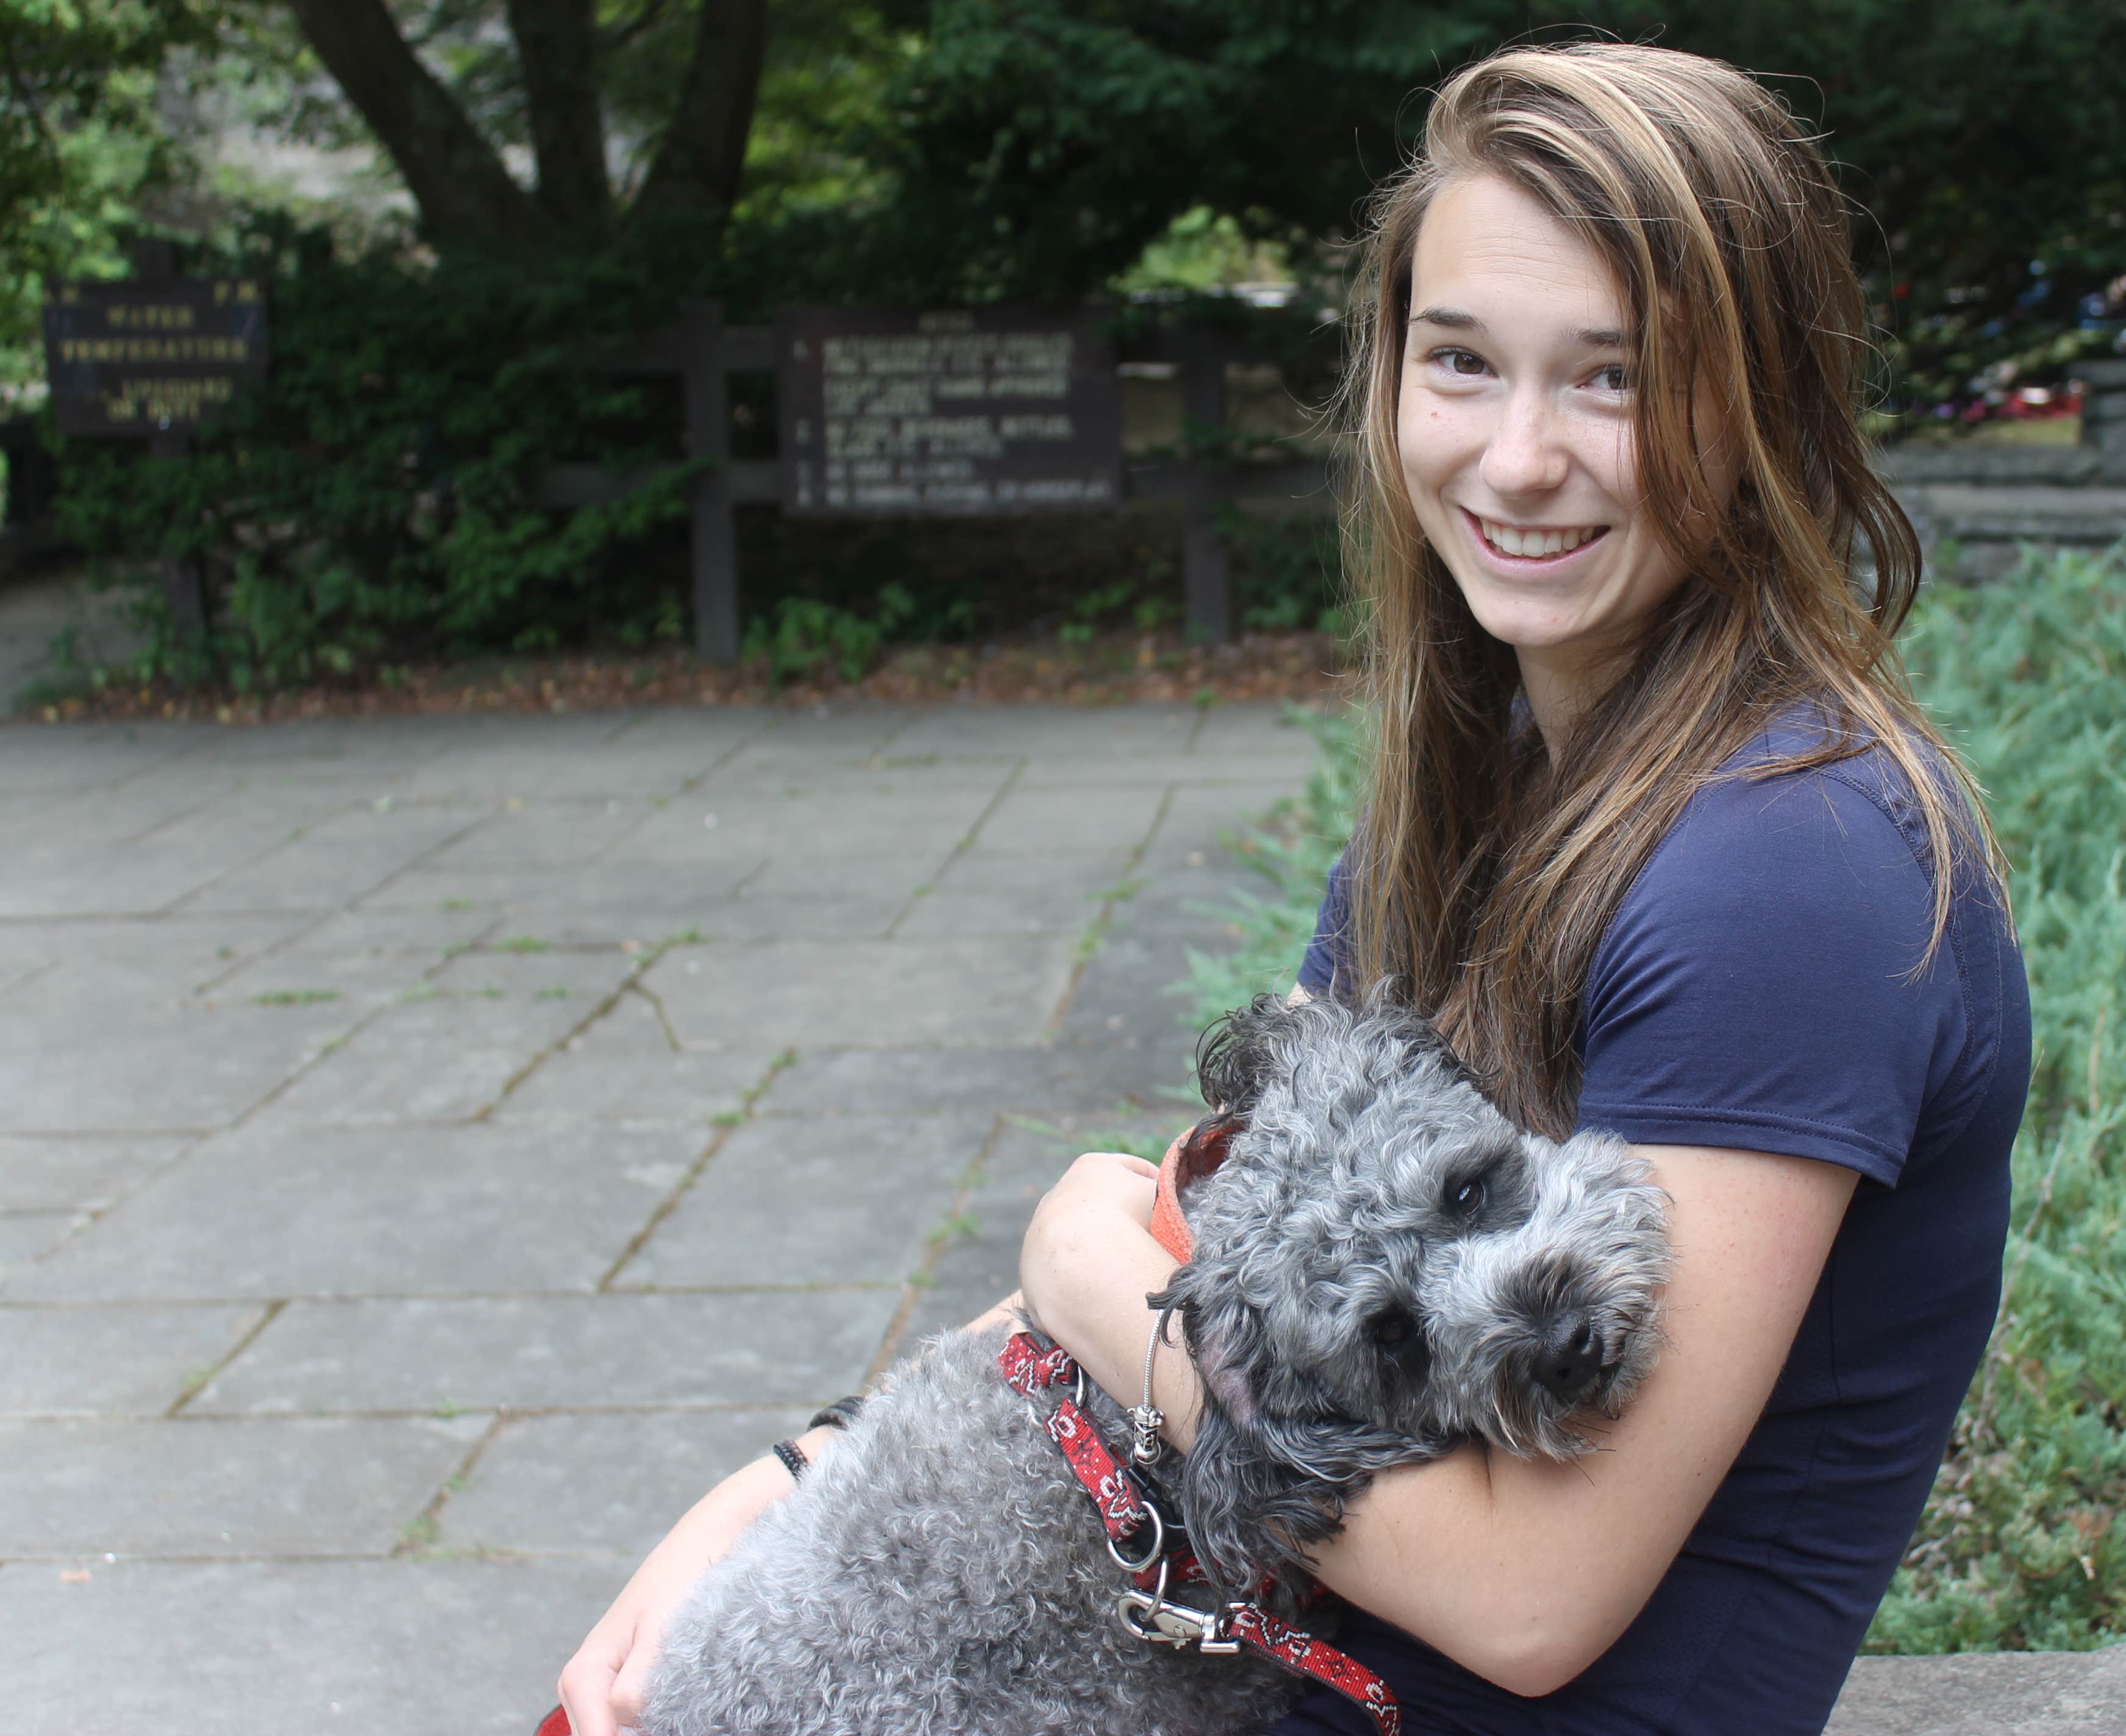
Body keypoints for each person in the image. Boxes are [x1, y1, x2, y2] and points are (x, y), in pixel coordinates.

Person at [558, 41, 2028, 1736]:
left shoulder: (1792, 872)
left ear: (1761, 405)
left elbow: (1532, 1600)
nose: (1519, 457)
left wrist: (1085, 1274)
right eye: (1462, 361)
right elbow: (1228, 1240)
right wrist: (795, 1468)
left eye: (1614, 381)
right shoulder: (1496, 792)